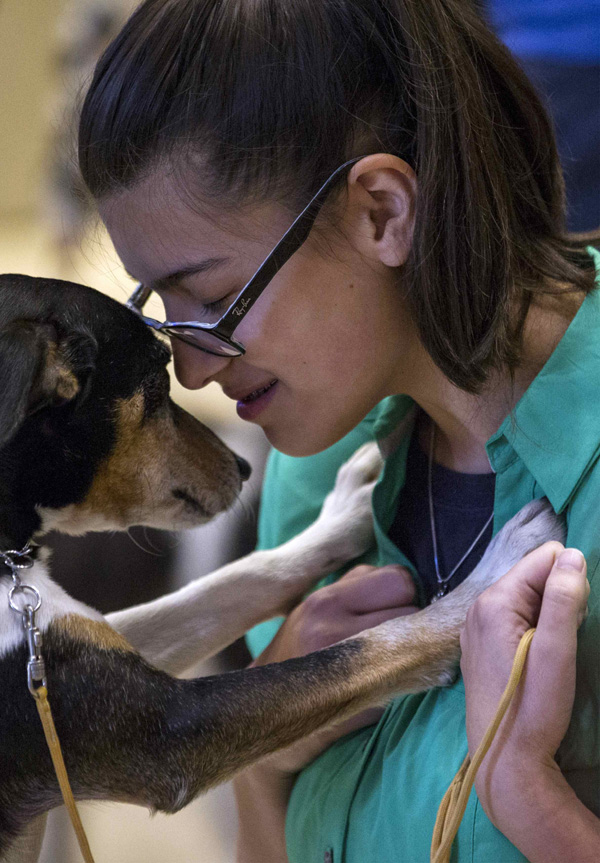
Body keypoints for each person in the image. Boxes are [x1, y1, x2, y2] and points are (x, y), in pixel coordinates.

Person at [76, 1, 600, 860]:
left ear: (382, 213)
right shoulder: (318, 482)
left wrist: (533, 804)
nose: (193, 367)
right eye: (162, 308)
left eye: (213, 296)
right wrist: (266, 746)